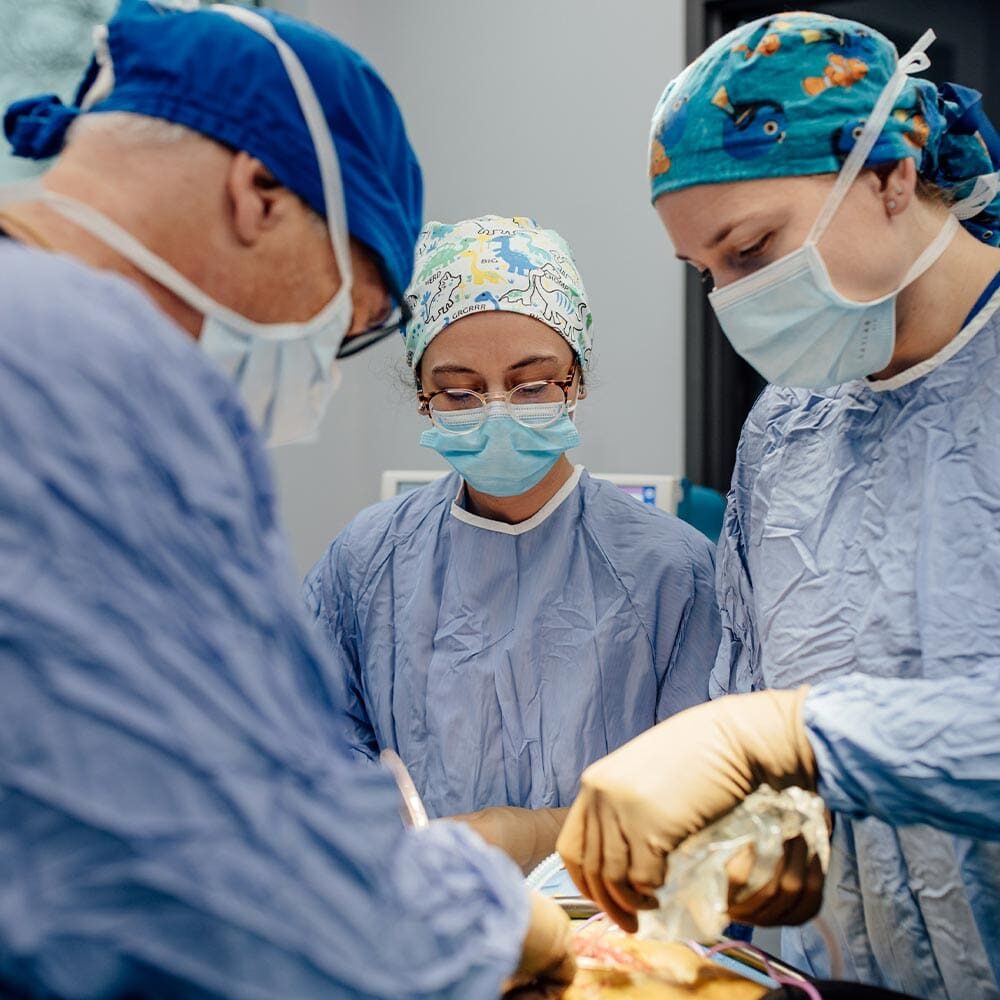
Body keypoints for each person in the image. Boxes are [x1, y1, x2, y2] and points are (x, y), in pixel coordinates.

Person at [0, 3, 574, 996]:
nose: (326, 366)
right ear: (259, 190)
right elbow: (267, 900)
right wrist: (494, 913)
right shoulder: (92, 366)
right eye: (344, 324)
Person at [557, 11, 1000, 1000]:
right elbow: (748, 681)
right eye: (704, 272)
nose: (730, 299)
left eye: (751, 250)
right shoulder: (787, 430)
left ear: (890, 173)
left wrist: (791, 736)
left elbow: (775, 722)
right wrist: (759, 825)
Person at [304, 215, 720, 874]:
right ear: (423, 398)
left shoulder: (672, 570)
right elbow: (317, 759)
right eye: (460, 391)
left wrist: (536, 834)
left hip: (617, 933)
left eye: (531, 384)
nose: (497, 408)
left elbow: (703, 794)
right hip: (424, 924)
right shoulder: (366, 563)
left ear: (576, 380)